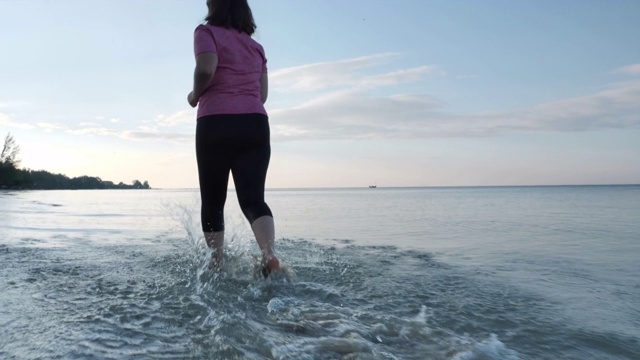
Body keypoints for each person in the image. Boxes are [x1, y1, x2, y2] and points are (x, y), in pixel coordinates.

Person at [187, 0, 281, 276]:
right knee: (253, 200)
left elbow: (206, 68)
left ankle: (214, 266)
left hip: (216, 122)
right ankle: (270, 254)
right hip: (255, 124)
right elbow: (261, 95)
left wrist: (194, 96)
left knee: (213, 201)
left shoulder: (207, 33)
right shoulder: (256, 48)